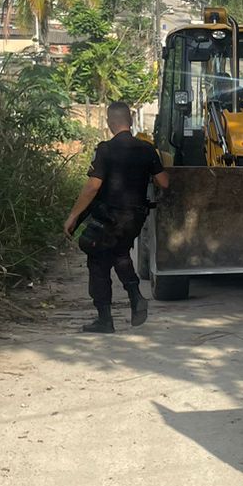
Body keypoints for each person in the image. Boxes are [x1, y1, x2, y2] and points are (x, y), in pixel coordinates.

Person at [63, 102, 169, 333]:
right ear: (130, 121)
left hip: (110, 216)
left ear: (110, 124)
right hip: (135, 217)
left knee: (98, 260)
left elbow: (92, 187)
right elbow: (164, 182)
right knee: (120, 253)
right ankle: (135, 297)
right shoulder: (147, 149)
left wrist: (73, 216)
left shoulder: (105, 150)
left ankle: (105, 319)